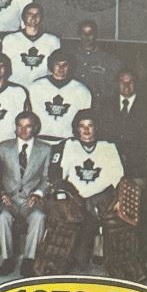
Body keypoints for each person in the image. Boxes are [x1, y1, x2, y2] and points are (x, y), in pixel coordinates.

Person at [57, 111, 127, 270]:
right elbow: (61, 175)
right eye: (82, 126)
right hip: (76, 198)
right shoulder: (70, 146)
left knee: (96, 216)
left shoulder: (108, 147)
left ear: (97, 128)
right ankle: (72, 256)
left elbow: (118, 178)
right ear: (77, 129)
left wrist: (119, 199)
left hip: (100, 199)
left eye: (90, 126)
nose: (86, 130)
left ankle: (97, 256)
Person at [0, 109, 51, 276]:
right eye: (20, 126)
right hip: (9, 199)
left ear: (35, 128)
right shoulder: (3, 147)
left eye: (28, 126)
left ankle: (29, 260)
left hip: (31, 199)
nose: (23, 130)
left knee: (39, 217)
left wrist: (38, 193)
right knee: (2, 217)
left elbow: (47, 177)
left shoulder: (45, 149)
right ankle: (7, 259)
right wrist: (2, 193)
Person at [29, 51, 93, 143]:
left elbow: (85, 120)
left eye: (65, 65)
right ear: (51, 65)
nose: (61, 68)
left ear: (70, 66)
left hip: (68, 141)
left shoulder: (81, 90)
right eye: (57, 64)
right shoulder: (36, 87)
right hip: (40, 139)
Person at [0, 1, 61, 88]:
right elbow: (4, 66)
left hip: (42, 87)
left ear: (42, 17)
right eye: (29, 14)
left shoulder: (52, 40)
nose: (33, 17)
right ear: (23, 17)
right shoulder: (10, 39)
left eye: (37, 14)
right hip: (16, 86)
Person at [67, 18, 114, 107]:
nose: (87, 36)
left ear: (95, 34)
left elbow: (111, 86)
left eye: (90, 33)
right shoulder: (70, 57)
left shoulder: (106, 59)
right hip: (74, 100)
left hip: (96, 103)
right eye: (83, 33)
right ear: (79, 34)